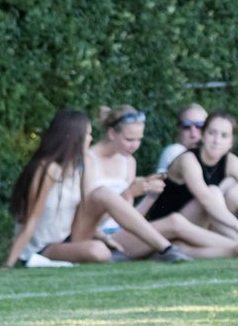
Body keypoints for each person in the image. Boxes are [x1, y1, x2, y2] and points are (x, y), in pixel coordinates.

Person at [4, 109, 192, 268]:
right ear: (72, 137)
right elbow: (31, 220)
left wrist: (103, 237)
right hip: (43, 247)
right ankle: (162, 250)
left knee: (102, 196)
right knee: (98, 250)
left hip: (71, 237)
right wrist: (9, 264)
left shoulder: (77, 167)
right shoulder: (47, 170)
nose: (91, 138)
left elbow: (79, 212)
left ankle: (166, 249)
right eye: (87, 134)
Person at [89, 106, 236, 259]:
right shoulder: (89, 160)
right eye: (129, 139)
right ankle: (234, 246)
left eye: (139, 139)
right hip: (104, 237)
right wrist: (129, 193)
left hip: (135, 232)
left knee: (181, 242)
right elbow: (85, 216)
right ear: (112, 133)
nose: (135, 145)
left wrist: (149, 197)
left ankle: (233, 249)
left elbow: (129, 215)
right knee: (177, 221)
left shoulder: (128, 161)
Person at [144, 111, 238, 239]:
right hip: (169, 224)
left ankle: (229, 241)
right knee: (214, 192)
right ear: (203, 135)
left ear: (231, 142)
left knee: (234, 190)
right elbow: (207, 201)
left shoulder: (230, 161)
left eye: (224, 135)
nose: (217, 140)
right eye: (212, 133)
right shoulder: (188, 159)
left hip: (200, 224)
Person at [156, 103, 208, 173]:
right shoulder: (174, 151)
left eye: (200, 126)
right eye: (186, 126)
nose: (193, 134)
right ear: (178, 129)